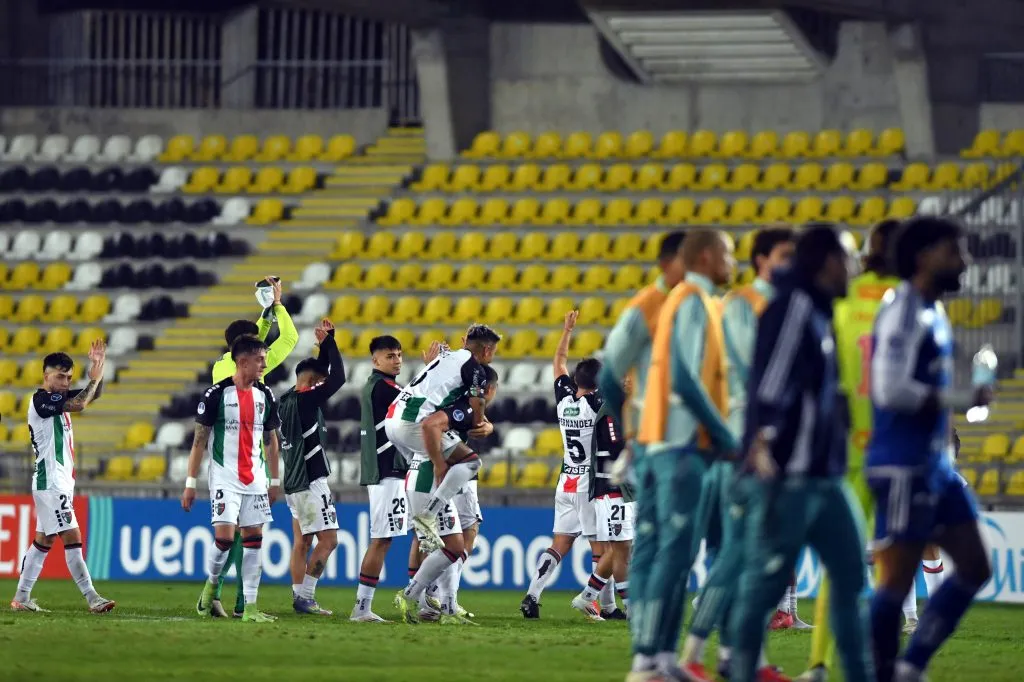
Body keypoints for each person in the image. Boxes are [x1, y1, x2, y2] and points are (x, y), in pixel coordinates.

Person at [727, 224, 872, 682]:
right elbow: (770, 385)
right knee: (765, 586)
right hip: (790, 477)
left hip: (824, 477)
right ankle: (741, 668)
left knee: (851, 578)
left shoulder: (818, 311)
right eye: (849, 257)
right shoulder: (795, 307)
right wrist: (762, 449)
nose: (855, 267)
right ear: (828, 262)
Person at [867, 216, 992, 682]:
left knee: (976, 567)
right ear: (923, 257)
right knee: (895, 583)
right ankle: (883, 672)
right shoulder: (901, 310)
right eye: (953, 251)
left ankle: (909, 666)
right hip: (903, 464)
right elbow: (888, 388)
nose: (964, 260)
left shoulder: (932, 311)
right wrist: (959, 398)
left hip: (934, 465)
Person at [679, 227, 795, 682]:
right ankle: (696, 652)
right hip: (744, 442)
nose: (793, 264)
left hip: (767, 441)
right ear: (763, 259)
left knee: (755, 557)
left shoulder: (785, 305)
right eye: (785, 255)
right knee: (735, 554)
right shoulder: (744, 304)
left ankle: (741, 657)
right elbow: (744, 375)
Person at [796, 219, 904, 682]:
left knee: (839, 566)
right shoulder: (908, 300)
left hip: (847, 449)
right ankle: (886, 663)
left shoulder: (843, 299)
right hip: (897, 448)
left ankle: (818, 663)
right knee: (892, 567)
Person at [629, 228, 738, 682]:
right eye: (730, 253)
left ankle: (667, 658)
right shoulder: (692, 300)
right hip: (683, 446)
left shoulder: (704, 302)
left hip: (690, 447)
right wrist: (723, 432)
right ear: (709, 257)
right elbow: (684, 378)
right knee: (674, 556)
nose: (736, 260)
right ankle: (650, 659)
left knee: (686, 553)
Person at [202, 275, 298, 618]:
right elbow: (288, 337)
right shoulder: (259, 367)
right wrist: (276, 304)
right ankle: (238, 601)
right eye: (257, 350)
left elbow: (247, 341)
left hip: (225, 460)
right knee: (245, 539)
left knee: (236, 539)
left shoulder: (221, 366)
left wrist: (265, 312)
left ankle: (215, 594)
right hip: (249, 460)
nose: (262, 354)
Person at [388, 325, 499, 623]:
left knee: (454, 546)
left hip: (397, 418)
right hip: (414, 424)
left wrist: (482, 424)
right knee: (471, 461)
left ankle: (411, 596)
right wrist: (440, 463)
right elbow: (435, 423)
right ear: (487, 350)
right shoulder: (474, 370)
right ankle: (430, 511)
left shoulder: (450, 361)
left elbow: (438, 385)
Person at [184, 336, 282, 624]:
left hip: (255, 480)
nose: (264, 364)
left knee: (254, 540)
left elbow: (270, 441)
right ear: (242, 361)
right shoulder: (216, 394)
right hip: (225, 477)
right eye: (260, 359)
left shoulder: (266, 395)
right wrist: (190, 483)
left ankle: (250, 608)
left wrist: (274, 480)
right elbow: (199, 441)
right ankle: (211, 586)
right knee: (225, 539)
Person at [11, 342, 114, 614]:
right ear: (46, 376)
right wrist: (92, 381)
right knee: (73, 535)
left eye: (69, 377)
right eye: (60, 376)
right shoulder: (41, 400)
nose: (65, 382)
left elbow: (93, 395)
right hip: (51, 481)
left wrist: (98, 368)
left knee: (43, 540)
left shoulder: (59, 402)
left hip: (58, 482)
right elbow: (81, 402)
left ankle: (21, 598)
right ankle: (93, 598)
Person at [521, 311, 609, 620]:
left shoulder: (565, 401)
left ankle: (533, 594)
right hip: (588, 481)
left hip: (566, 479)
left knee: (560, 543)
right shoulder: (597, 405)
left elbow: (558, 361)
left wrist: (566, 331)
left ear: (575, 380)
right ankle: (597, 603)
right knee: (601, 546)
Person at [412, 363, 500, 624]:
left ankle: (428, 600)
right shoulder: (468, 401)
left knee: (428, 536)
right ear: (490, 389)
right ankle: (443, 599)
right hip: (455, 470)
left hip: (438, 468)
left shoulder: (451, 395)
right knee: (464, 534)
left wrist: (489, 427)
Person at [279, 319, 345, 616]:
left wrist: (322, 349)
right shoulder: (307, 402)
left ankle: (298, 597)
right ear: (314, 384)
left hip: (292, 482)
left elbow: (321, 375)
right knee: (329, 540)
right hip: (311, 480)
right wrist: (330, 342)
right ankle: (306, 597)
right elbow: (339, 378)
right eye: (321, 383)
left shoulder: (286, 400)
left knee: (302, 542)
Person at [352, 335, 408, 622]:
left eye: (399, 355)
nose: (397, 360)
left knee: (394, 537)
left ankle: (421, 599)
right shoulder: (383, 389)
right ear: (375, 360)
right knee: (381, 538)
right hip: (386, 470)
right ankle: (361, 608)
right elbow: (417, 406)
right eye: (390, 356)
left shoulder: (384, 386)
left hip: (392, 470)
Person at [570, 373, 635, 621]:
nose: (631, 381)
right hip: (611, 488)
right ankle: (630, 608)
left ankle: (586, 597)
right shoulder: (610, 411)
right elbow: (617, 446)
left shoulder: (627, 409)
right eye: (627, 377)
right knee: (622, 549)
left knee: (621, 548)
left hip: (626, 489)